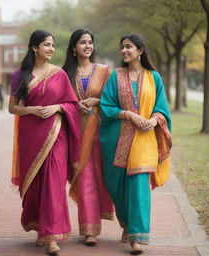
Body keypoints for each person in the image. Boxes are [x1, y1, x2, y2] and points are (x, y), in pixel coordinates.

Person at [8, 30, 81, 255]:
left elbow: (72, 104)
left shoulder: (59, 74)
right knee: (37, 184)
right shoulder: (20, 75)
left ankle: (52, 237)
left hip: (56, 134)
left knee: (54, 183)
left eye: (52, 45)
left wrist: (58, 107)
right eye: (47, 45)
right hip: (30, 136)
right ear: (34, 48)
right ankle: (41, 227)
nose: (51, 49)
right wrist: (30, 110)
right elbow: (12, 107)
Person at [100, 34, 172, 255]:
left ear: (140, 50)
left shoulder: (154, 77)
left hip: (144, 139)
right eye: (122, 47)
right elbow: (105, 105)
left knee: (139, 188)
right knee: (117, 188)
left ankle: (137, 238)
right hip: (116, 139)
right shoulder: (115, 76)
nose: (124, 50)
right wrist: (129, 115)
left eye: (128, 47)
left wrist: (152, 120)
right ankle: (126, 224)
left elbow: (162, 108)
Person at [62, 29, 114, 246]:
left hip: (102, 135)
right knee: (85, 180)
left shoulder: (105, 71)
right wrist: (74, 105)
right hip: (76, 135)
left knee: (109, 181)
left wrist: (98, 101)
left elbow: (115, 101)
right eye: (82, 42)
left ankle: (129, 226)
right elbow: (60, 101)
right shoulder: (64, 74)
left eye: (90, 42)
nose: (87, 46)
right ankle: (89, 230)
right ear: (74, 47)